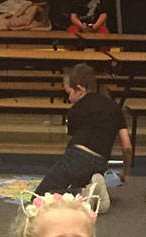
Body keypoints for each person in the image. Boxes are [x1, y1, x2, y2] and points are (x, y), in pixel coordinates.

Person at [35, 63, 132, 211]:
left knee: (39, 197)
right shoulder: (115, 107)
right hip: (100, 163)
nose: (69, 98)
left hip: (77, 157)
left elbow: (73, 146)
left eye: (69, 93)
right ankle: (90, 188)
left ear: (79, 90)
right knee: (75, 179)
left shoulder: (75, 109)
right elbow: (127, 146)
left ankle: (84, 193)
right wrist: (125, 173)